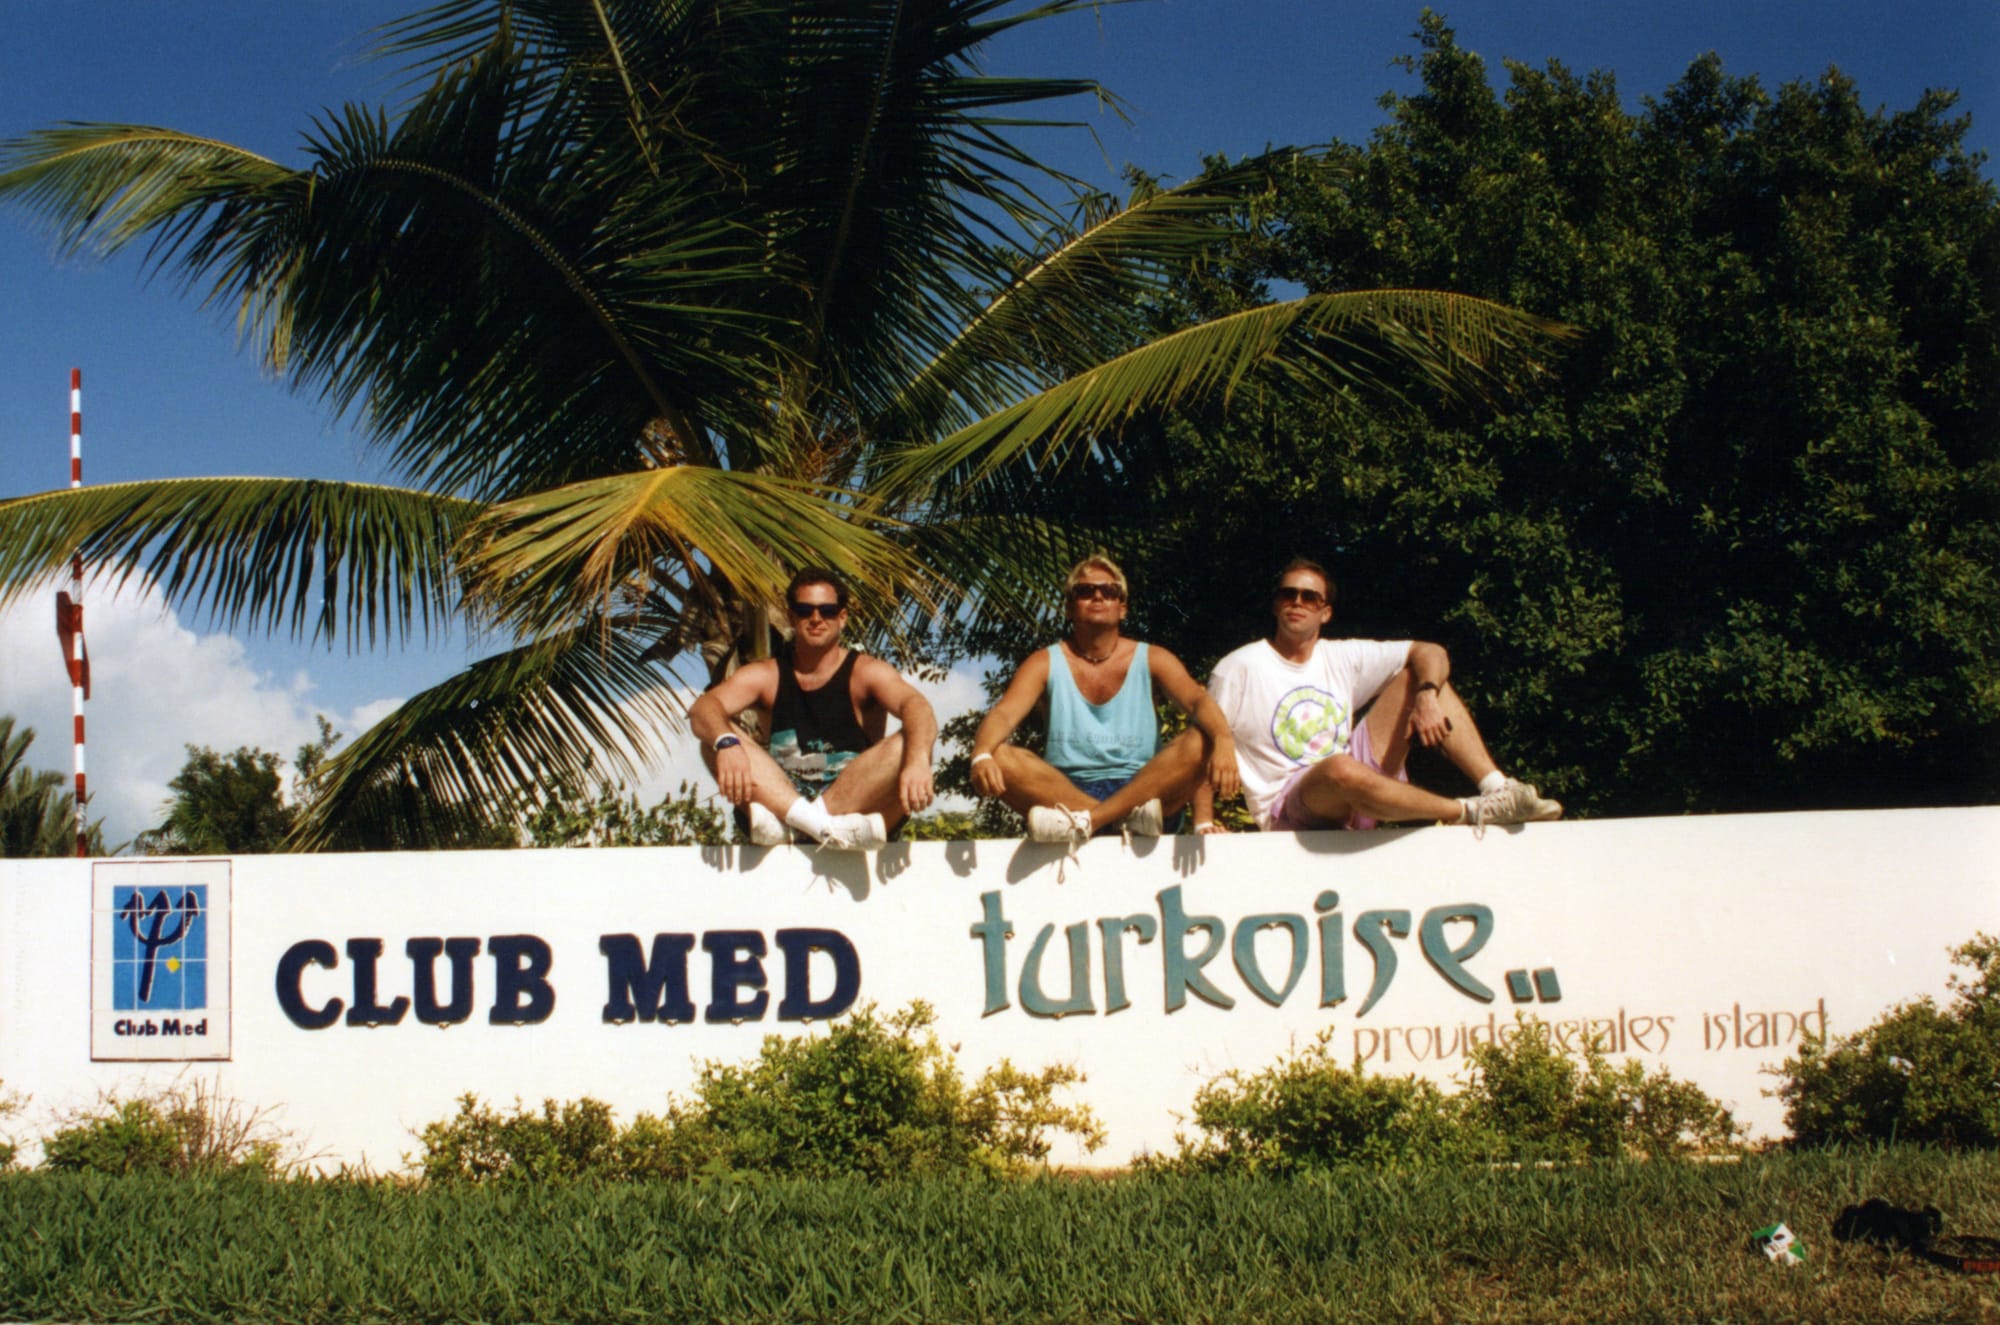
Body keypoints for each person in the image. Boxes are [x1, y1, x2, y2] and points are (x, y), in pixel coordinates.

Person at [1199, 558, 1561, 834]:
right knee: (1339, 768)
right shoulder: (1239, 667)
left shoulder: (1341, 656)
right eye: (1287, 594)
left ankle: (1497, 788)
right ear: (1276, 604)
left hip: (1355, 788)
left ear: (1325, 612)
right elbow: (1200, 743)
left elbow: (1430, 651)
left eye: (1309, 597)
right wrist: (1203, 823)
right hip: (1291, 809)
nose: (1297, 602)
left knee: (1419, 677)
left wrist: (1427, 696)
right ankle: (1469, 811)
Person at [969, 554, 1239, 847]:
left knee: (1204, 738)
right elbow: (1005, 714)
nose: (1098, 596)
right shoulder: (1043, 662)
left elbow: (1198, 701)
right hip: (1064, 791)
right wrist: (981, 754)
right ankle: (1118, 819)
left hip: (1146, 790)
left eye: (1109, 591)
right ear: (1069, 608)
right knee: (996, 755)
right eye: (1085, 591)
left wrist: (1224, 740)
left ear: (1122, 608)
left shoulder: (1154, 658)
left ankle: (1090, 821)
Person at [689, 567, 937, 851]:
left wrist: (918, 761)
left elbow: (917, 706)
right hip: (786, 800)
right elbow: (704, 707)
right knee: (715, 738)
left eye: (827, 610)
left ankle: (802, 827)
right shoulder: (767, 675)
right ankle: (818, 826)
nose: (816, 618)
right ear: (792, 617)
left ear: (842, 617)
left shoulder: (867, 672)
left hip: (852, 806)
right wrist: (726, 743)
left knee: (912, 742)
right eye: (805, 610)